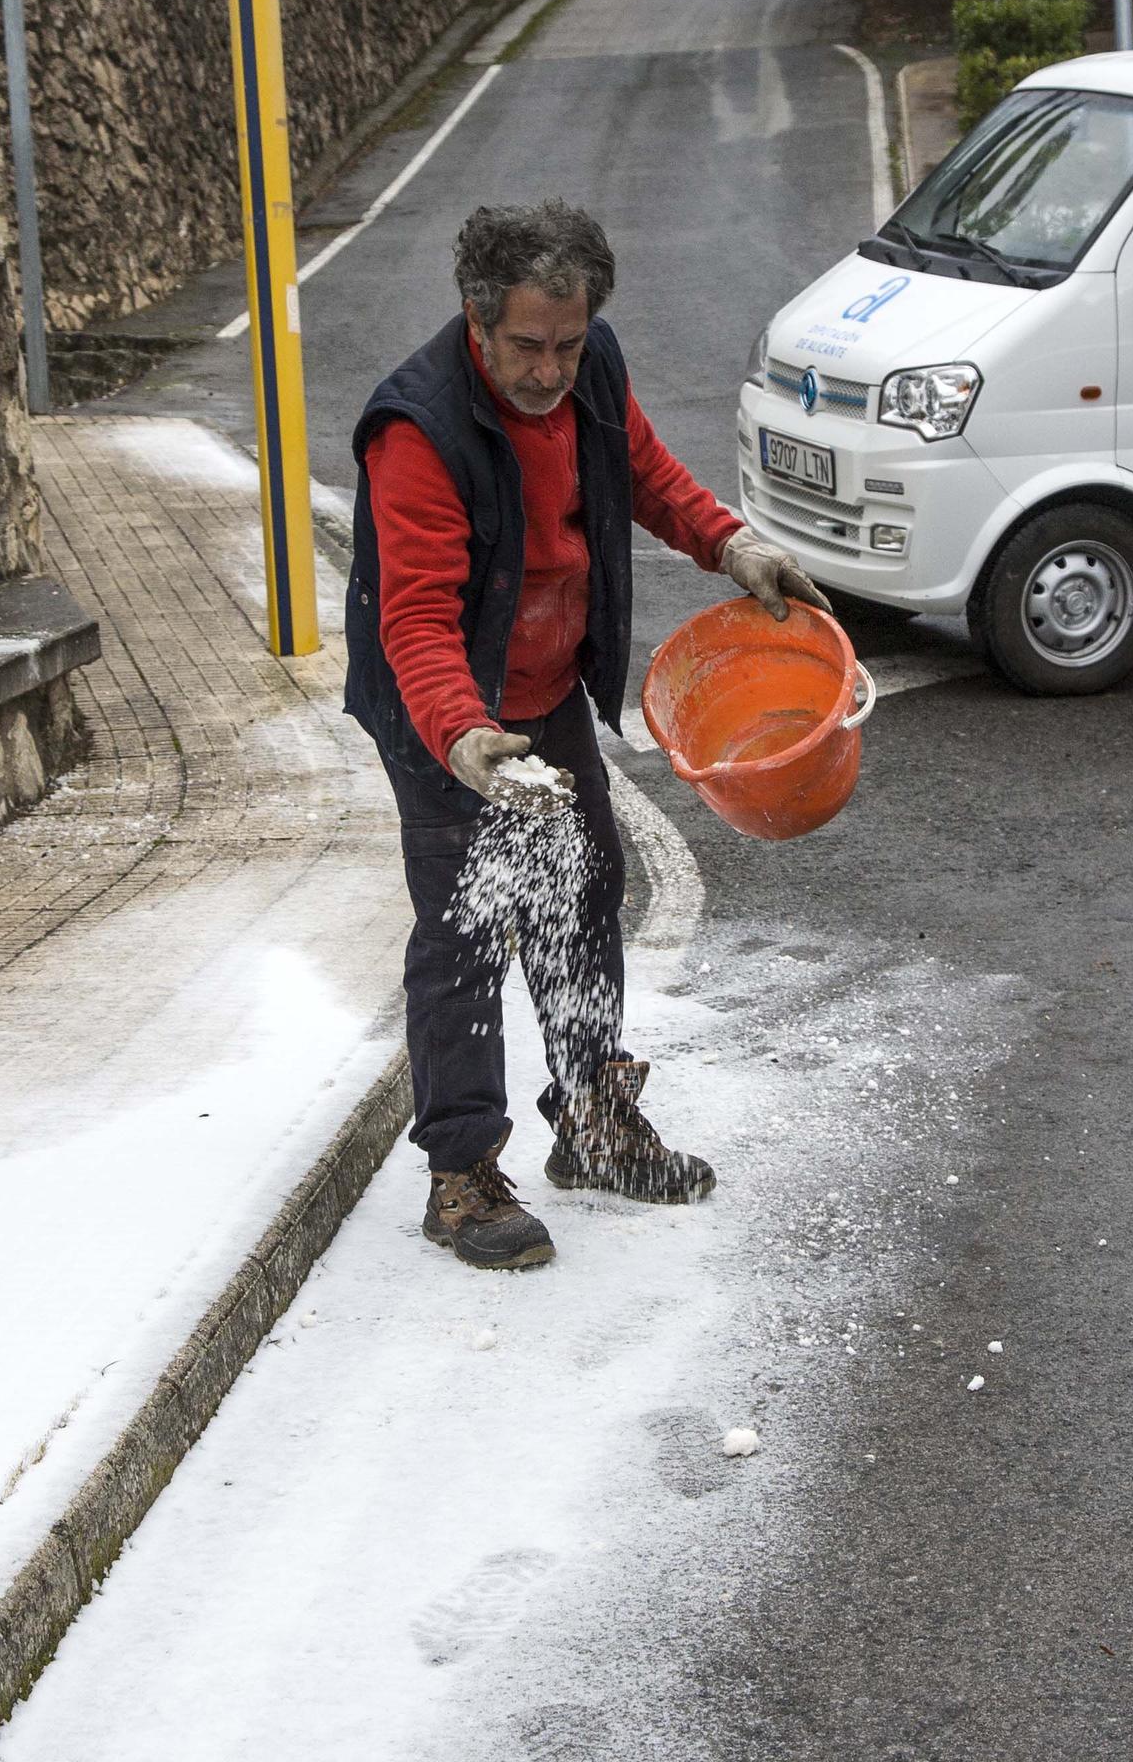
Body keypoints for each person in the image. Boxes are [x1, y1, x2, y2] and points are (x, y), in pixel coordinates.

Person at [346, 200, 829, 1271]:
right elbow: (416, 618)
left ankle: (594, 1118)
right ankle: (460, 1175)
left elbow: (643, 474)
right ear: (477, 319)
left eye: (566, 342)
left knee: (581, 888)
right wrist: (465, 735)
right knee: (469, 926)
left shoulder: (589, 366)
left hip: (544, 682)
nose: (549, 368)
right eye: (527, 345)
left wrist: (730, 542)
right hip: (444, 708)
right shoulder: (417, 428)